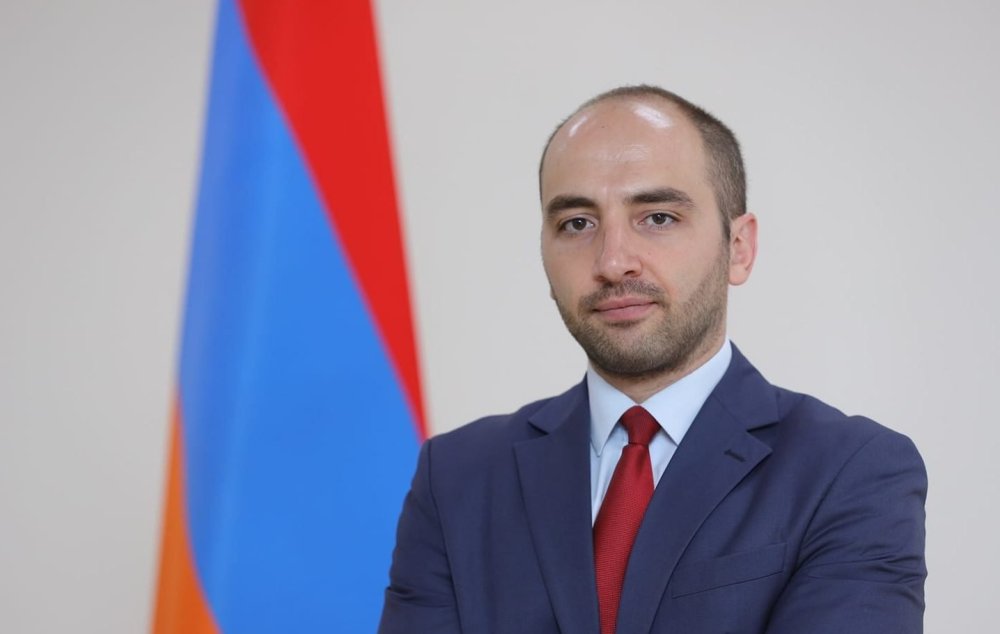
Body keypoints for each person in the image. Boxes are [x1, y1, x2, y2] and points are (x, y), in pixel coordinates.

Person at [379, 85, 927, 634]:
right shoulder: (455, 477)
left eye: (658, 217)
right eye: (577, 223)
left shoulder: (850, 470)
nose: (613, 261)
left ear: (739, 248)